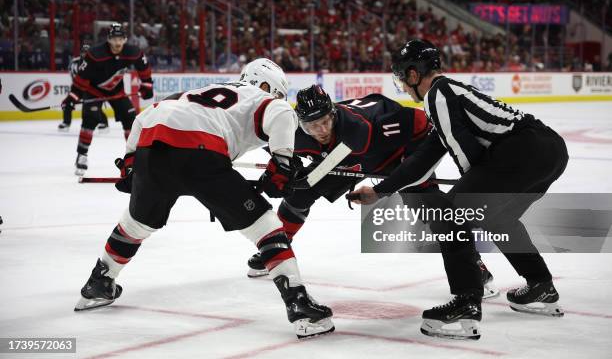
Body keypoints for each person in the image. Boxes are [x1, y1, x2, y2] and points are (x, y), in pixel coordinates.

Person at [74, 58, 335, 339]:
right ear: (264, 84)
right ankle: (299, 306)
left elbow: (145, 115)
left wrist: (129, 161)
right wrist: (282, 163)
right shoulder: (261, 97)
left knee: (135, 224)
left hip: (153, 145)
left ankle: (98, 285)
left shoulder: (201, 91)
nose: (278, 97)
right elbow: (281, 112)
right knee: (266, 225)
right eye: (277, 91)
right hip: (201, 148)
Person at [350, 39, 567, 339]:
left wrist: (468, 196)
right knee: (498, 219)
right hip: (551, 151)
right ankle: (541, 285)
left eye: (402, 75)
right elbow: (422, 159)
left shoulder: (437, 94)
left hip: (525, 150)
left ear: (414, 75)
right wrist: (381, 190)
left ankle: (466, 303)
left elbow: (470, 158)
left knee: (449, 216)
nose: (401, 83)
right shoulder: (449, 94)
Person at [246, 85, 498, 298]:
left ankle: (474, 265)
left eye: (324, 122)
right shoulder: (300, 133)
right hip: (346, 159)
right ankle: (277, 247)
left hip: (394, 152)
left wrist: (413, 168)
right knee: (298, 196)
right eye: (312, 126)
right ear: (301, 123)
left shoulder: (360, 128)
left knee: (428, 207)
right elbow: (275, 144)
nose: (320, 131)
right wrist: (286, 168)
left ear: (333, 114)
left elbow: (422, 123)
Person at [63, 23, 154, 176]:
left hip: (116, 91)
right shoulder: (95, 54)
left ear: (125, 40)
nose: (117, 43)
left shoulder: (133, 52)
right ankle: (82, 155)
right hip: (94, 91)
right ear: (108, 40)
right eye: (114, 39)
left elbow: (143, 67)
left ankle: (134, 158)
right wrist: (72, 97)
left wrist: (146, 85)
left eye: (120, 39)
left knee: (130, 119)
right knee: (90, 119)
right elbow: (82, 78)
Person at [58, 44, 109, 132]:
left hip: (92, 90)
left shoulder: (97, 62)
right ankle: (66, 123)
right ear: (81, 53)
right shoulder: (74, 63)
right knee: (68, 102)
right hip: (78, 89)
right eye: (84, 52)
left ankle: (103, 123)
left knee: (92, 105)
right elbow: (74, 77)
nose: (85, 54)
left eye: (87, 52)